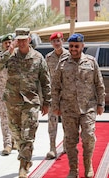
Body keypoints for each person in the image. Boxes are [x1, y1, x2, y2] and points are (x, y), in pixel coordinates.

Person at [0, 28, 51, 178]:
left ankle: (23, 167)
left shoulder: (38, 58)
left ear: (29, 39)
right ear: (15, 40)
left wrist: (47, 102)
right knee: (17, 135)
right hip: (12, 102)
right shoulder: (8, 56)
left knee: (28, 135)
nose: (22, 42)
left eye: (25, 39)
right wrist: (7, 53)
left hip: (31, 103)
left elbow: (46, 81)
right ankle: (25, 157)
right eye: (19, 40)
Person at [51, 33, 105, 178]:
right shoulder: (62, 63)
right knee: (70, 140)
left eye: (76, 46)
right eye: (71, 46)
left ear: (82, 46)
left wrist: (101, 104)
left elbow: (99, 85)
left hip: (88, 107)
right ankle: (73, 169)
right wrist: (55, 105)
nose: (73, 49)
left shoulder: (91, 62)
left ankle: (88, 166)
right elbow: (55, 87)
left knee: (88, 137)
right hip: (68, 108)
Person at [0, 33, 16, 156]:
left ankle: (14, 140)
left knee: (15, 119)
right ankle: (7, 144)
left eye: (10, 42)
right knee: (4, 119)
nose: (8, 44)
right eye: (6, 43)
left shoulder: (17, 57)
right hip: (1, 93)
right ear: (2, 44)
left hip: (16, 94)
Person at [45, 32, 69, 160]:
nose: (56, 43)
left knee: (67, 121)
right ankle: (52, 148)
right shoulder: (48, 57)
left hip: (66, 95)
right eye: (54, 41)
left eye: (58, 40)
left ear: (62, 41)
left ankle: (66, 145)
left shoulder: (70, 56)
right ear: (51, 43)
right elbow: (45, 77)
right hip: (53, 95)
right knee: (52, 122)